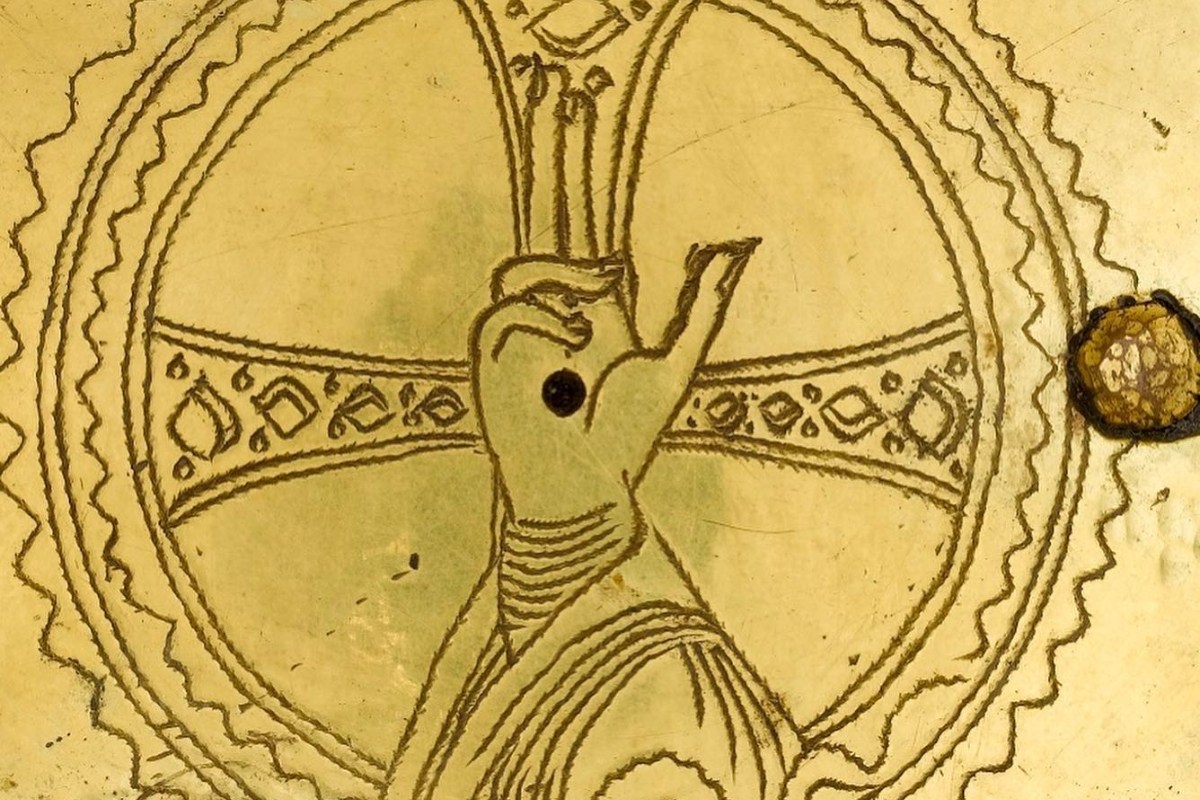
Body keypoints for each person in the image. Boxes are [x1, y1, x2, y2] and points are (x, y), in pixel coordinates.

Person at [385, 240, 803, 800]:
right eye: (565, 302)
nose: (576, 321)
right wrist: (704, 299)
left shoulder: (572, 380)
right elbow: (674, 352)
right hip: (541, 590)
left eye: (582, 305)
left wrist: (703, 301)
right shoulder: (527, 361)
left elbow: (673, 358)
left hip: (574, 586)